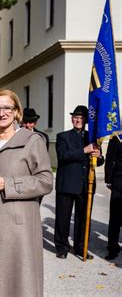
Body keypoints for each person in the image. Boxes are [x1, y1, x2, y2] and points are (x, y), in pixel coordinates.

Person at [0, 89, 53, 297]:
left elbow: (46, 181)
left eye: (7, 108)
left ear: (17, 112)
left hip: (18, 230)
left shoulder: (32, 141)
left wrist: (10, 184)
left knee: (19, 283)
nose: (2, 112)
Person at [54, 105, 104, 260]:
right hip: (67, 184)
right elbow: (63, 157)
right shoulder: (62, 136)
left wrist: (99, 155)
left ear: (86, 121)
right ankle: (62, 247)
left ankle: (80, 247)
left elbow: (99, 162)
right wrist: (84, 150)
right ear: (71, 119)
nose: (78, 120)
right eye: (76, 117)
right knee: (63, 218)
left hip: (85, 185)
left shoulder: (92, 137)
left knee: (83, 219)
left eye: (81, 118)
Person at [104, 131, 122, 260]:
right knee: (115, 219)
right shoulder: (117, 137)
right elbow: (110, 158)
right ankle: (112, 248)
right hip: (119, 182)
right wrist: (108, 180)